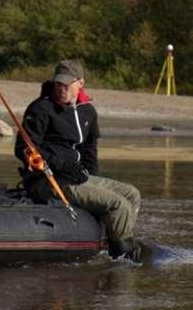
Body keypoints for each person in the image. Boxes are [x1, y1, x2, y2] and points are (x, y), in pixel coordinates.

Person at [15, 59, 142, 260]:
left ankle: (115, 237)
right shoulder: (40, 109)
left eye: (66, 84)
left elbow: (90, 150)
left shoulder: (88, 111)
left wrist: (91, 179)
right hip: (51, 180)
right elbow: (22, 148)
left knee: (132, 194)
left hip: (79, 176)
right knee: (120, 205)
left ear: (80, 83)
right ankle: (122, 258)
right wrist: (60, 165)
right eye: (58, 84)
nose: (61, 89)